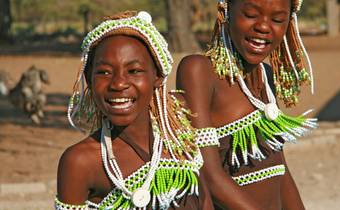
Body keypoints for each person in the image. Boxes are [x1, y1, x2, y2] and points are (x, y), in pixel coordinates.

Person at [56, 11, 213, 210]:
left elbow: (205, 198)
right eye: (104, 72)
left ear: (157, 75)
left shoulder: (180, 128)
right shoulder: (80, 161)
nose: (119, 83)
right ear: (89, 78)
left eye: (134, 71)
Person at [177, 0, 317, 209]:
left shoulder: (266, 77)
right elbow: (208, 174)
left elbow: (279, 168)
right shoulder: (199, 71)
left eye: (278, 19)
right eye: (251, 15)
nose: (263, 26)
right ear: (226, 11)